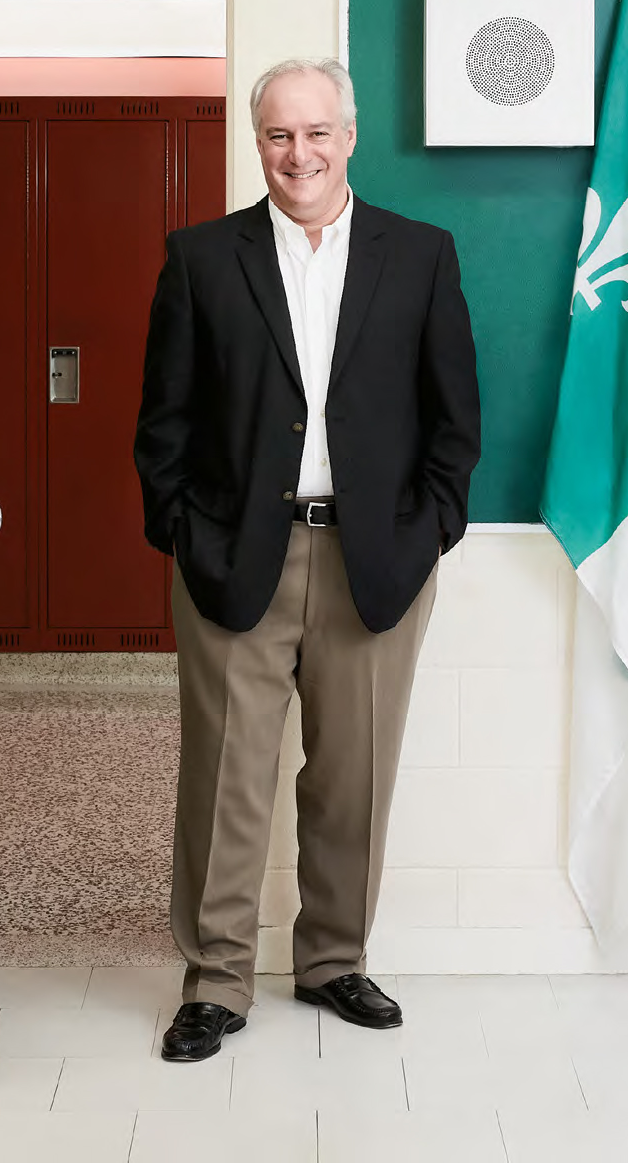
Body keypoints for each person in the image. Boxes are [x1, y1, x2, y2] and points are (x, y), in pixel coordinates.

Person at [134, 57, 481, 1062]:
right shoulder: (202, 258)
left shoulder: (418, 255)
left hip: (376, 559)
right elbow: (162, 424)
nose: (300, 154)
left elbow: (455, 421)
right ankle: (215, 980)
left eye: (317, 132)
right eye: (280, 135)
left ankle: (332, 959)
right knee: (227, 779)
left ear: (349, 136)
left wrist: (430, 529)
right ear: (258, 143)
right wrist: (184, 532)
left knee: (352, 777)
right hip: (235, 553)